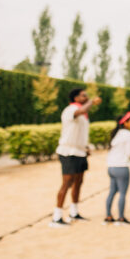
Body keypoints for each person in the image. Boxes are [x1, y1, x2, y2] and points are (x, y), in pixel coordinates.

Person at [50, 88, 101, 228]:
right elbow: (80, 111)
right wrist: (92, 102)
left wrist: (85, 147)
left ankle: (74, 212)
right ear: (76, 98)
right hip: (68, 152)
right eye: (84, 95)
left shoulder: (84, 115)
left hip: (80, 152)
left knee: (79, 182)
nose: (86, 97)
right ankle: (57, 216)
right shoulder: (70, 110)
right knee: (67, 182)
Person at [104, 112, 130, 225]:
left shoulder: (117, 133)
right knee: (122, 193)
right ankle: (121, 218)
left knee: (112, 191)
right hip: (122, 167)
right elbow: (129, 152)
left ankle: (108, 215)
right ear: (126, 122)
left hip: (111, 166)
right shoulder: (129, 135)